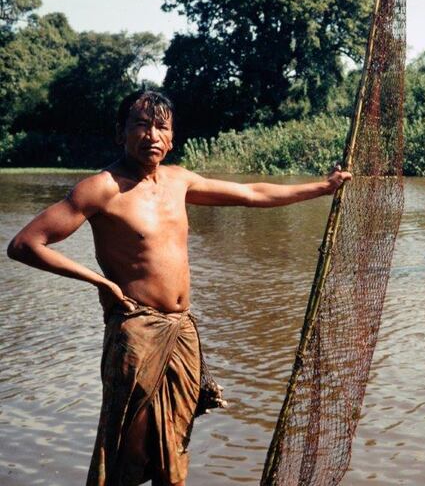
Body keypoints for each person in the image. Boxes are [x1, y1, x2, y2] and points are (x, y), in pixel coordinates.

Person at [6, 90, 351, 486]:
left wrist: (321, 188)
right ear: (120, 133)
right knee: (126, 448)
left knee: (175, 446)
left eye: (161, 127)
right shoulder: (101, 188)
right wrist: (98, 280)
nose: (151, 135)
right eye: (141, 124)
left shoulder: (179, 180)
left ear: (171, 138)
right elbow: (25, 244)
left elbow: (252, 194)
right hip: (137, 333)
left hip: (182, 332)